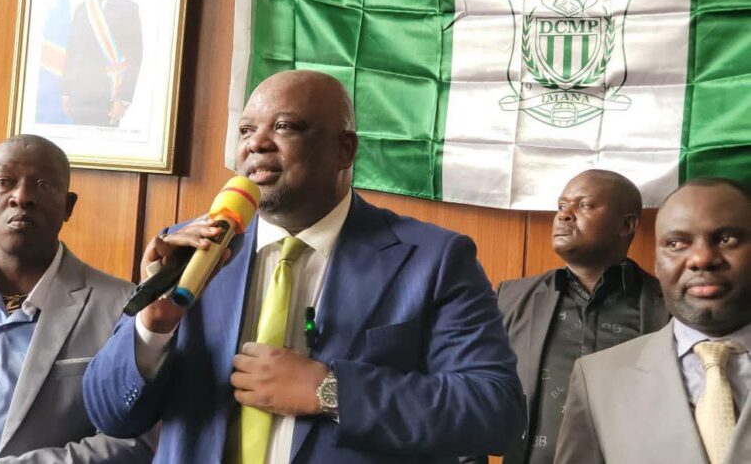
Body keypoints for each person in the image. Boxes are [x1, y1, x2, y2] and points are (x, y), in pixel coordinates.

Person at [83, 70, 526, 463]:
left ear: (344, 150)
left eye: (284, 127)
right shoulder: (189, 252)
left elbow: (494, 412)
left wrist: (330, 391)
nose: (256, 143)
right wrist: (151, 330)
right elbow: (110, 413)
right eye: (246, 130)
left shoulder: (433, 259)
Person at [0, 135, 155, 463]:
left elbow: (134, 442)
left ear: (68, 206)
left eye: (42, 185)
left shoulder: (122, 306)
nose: (22, 197)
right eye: (5, 182)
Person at [465, 170, 669, 464]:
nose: (564, 215)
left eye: (583, 205)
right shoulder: (509, 298)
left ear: (626, 225)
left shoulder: (668, 307)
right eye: (561, 206)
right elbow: (473, 392)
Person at [555, 178, 751, 464]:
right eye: (676, 243)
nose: (701, 259)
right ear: (657, 264)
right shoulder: (597, 379)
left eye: (726, 239)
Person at [61, 0, 143, 127]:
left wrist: (122, 100)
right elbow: (72, 52)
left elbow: (134, 58)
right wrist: (66, 92)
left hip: (108, 97)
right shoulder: (82, 8)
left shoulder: (129, 8)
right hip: (79, 97)